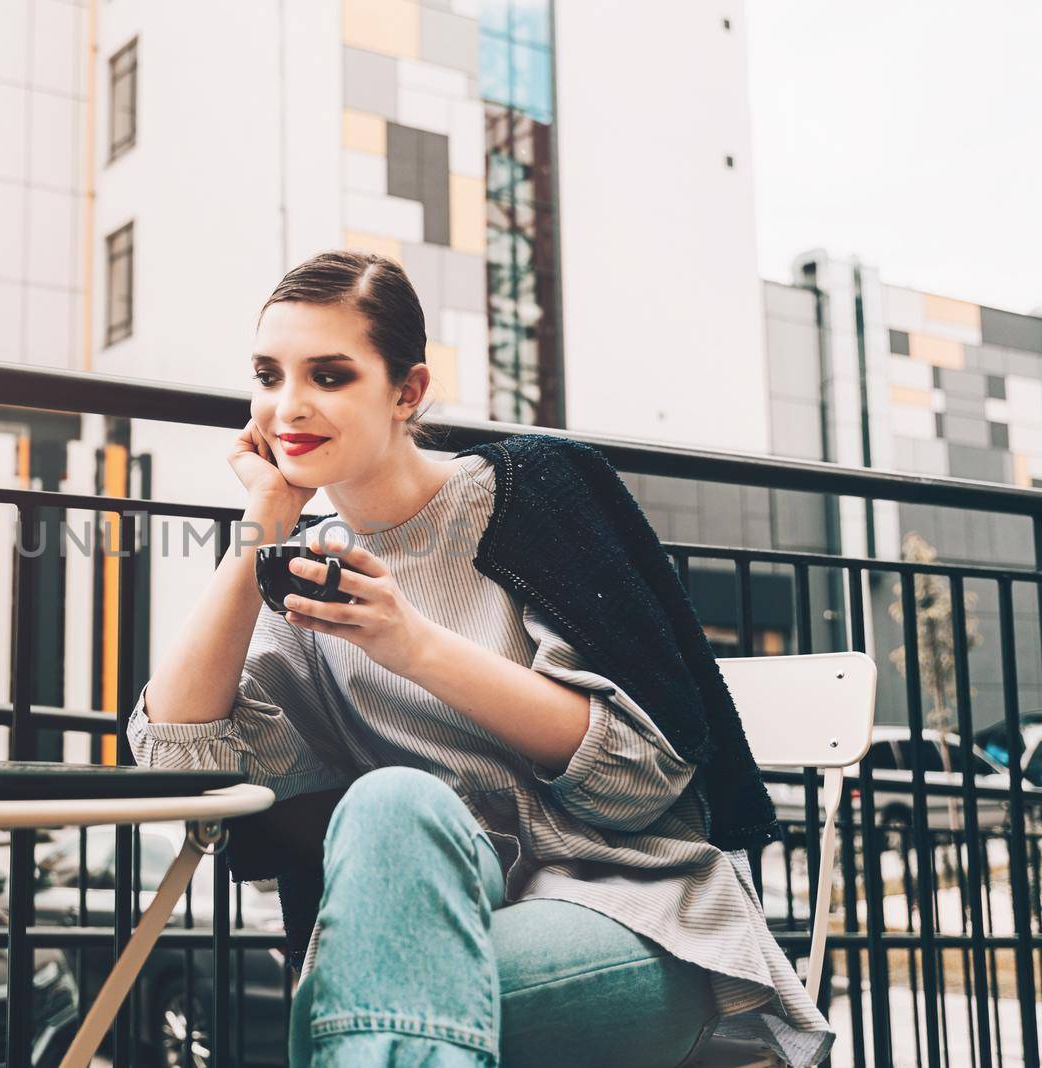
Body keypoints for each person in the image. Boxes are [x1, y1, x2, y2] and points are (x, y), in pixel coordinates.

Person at [126, 250, 833, 1067]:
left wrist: (413, 644)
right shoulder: (309, 567)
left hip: (631, 905)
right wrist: (264, 515)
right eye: (268, 375)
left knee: (348, 1004)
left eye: (328, 376)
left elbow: (640, 776)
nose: (289, 407)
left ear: (408, 392)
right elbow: (177, 752)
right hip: (433, 908)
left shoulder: (531, 491)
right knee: (391, 805)